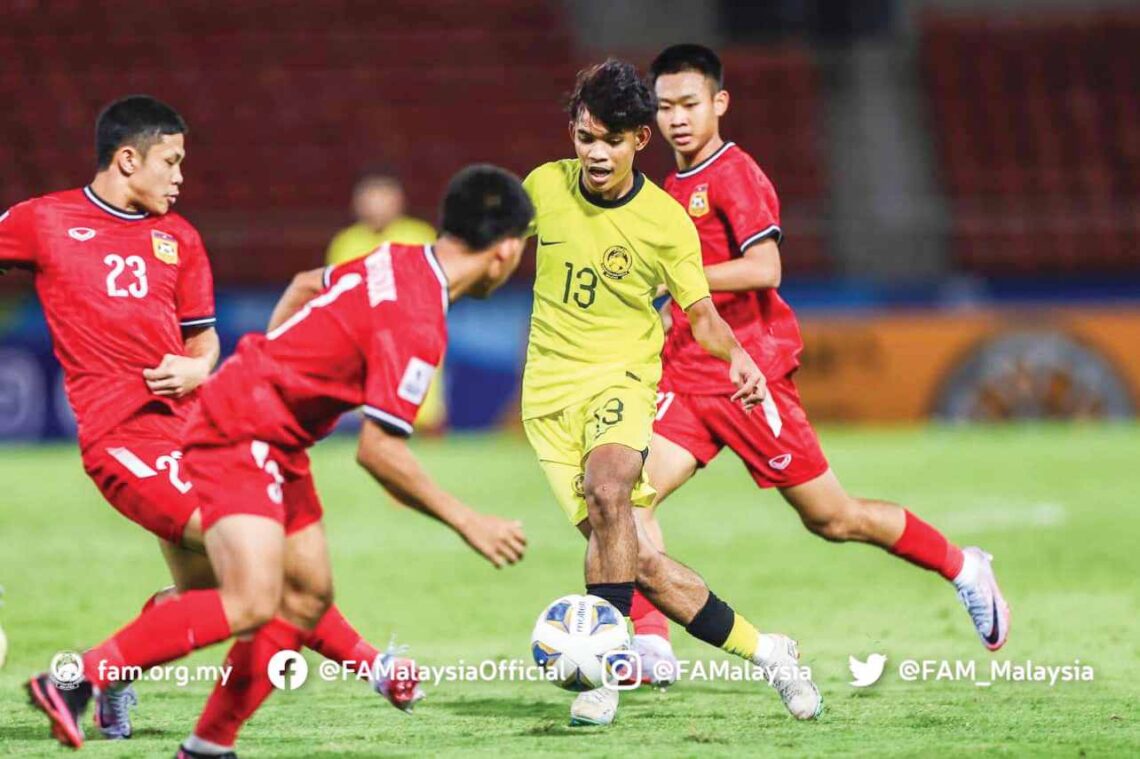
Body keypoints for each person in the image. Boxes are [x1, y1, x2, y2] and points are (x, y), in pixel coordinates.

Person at [27, 164, 534, 754]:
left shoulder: (394, 259)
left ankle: (207, 746)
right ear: (503, 252)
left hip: (274, 432)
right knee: (251, 600)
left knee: (305, 597)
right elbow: (378, 450)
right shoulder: (420, 319)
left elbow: (301, 284)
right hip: (240, 430)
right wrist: (471, 522)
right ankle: (75, 681)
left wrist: (274, 364)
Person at [1, 96, 408, 743]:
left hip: (196, 434)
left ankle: (108, 678)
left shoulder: (179, 239)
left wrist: (196, 369)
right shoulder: (44, 220)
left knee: (213, 597)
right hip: (124, 438)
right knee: (263, 569)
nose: (180, 176)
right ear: (128, 158)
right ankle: (376, 667)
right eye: (172, 160)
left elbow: (205, 340)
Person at [630, 44, 1010, 670]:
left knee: (833, 519)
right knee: (627, 499)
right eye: (665, 106)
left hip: (749, 377)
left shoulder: (735, 173)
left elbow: (765, 266)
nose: (676, 118)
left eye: (689, 104)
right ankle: (651, 641)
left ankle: (962, 565)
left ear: (719, 104)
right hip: (687, 378)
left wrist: (681, 279)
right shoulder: (672, 184)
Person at [521, 59, 822, 727]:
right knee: (639, 559)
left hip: (622, 380)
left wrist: (738, 356)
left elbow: (704, 313)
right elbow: (491, 250)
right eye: (584, 137)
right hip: (547, 399)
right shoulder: (544, 186)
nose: (595, 154)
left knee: (609, 488)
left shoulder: (664, 222)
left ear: (639, 141)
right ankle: (769, 651)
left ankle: (603, 675)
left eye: (610, 139)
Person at [327, 170, 444, 431]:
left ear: (398, 201)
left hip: (414, 337)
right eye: (369, 199)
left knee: (424, 414)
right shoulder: (346, 242)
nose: (376, 206)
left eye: (383, 198)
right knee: (373, 419)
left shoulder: (419, 235)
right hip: (367, 341)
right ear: (357, 204)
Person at [325, 171, 436, 265]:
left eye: (384, 196)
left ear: (400, 199)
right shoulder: (345, 242)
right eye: (370, 196)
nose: (377, 205)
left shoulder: (422, 236)